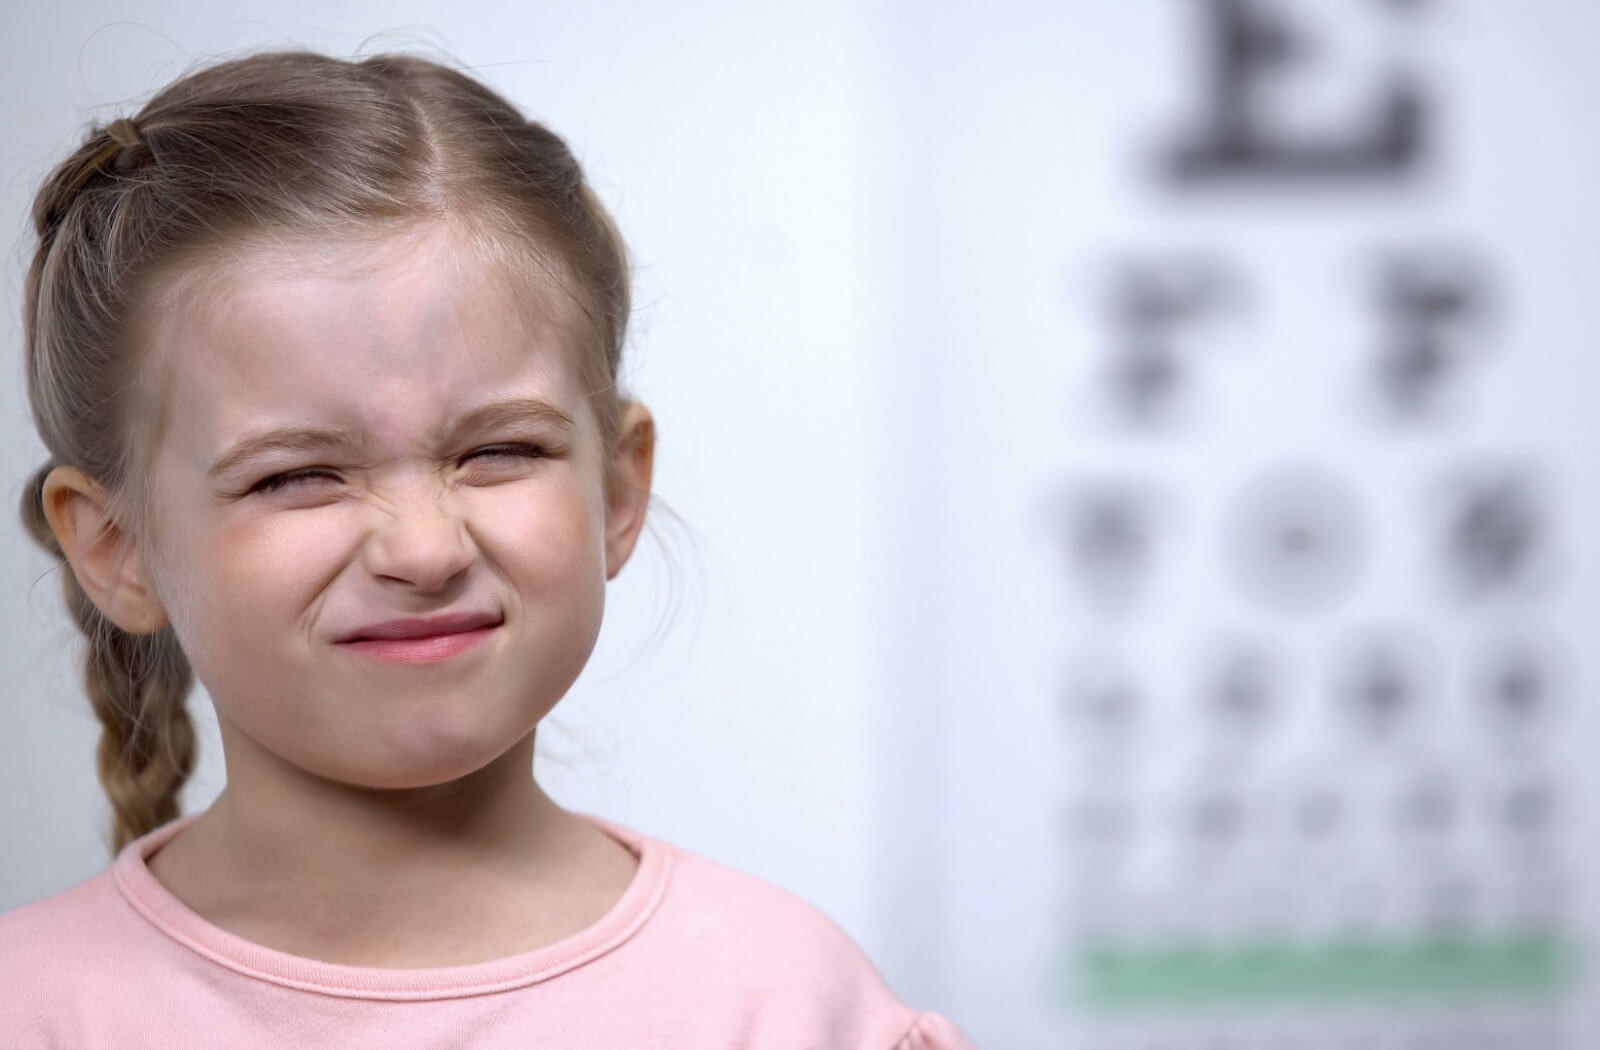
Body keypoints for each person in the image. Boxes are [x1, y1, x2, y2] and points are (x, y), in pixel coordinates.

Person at [0, 49, 973, 1049]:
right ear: (118, 549)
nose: (423, 551)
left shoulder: (786, 1004)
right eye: (294, 476)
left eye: (500, 451)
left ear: (616, 489)